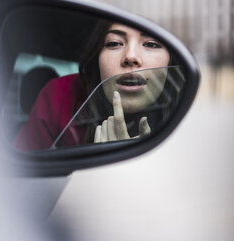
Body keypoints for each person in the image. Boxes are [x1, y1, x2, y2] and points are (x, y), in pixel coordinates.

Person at [14, 20, 171, 151]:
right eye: (114, 43)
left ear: (172, 62)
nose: (130, 56)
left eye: (151, 44)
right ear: (97, 60)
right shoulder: (59, 97)